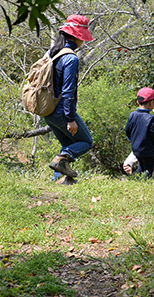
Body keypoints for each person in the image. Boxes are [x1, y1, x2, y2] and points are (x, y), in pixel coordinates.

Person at [43, 15, 94, 185]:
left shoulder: (52, 53)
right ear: (76, 36)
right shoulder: (70, 58)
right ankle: (59, 163)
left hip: (48, 111)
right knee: (86, 142)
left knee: (68, 147)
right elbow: (68, 92)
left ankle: (59, 180)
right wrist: (70, 119)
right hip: (61, 112)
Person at [124, 87, 154, 177]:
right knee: (148, 169)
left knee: (141, 165)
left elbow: (127, 129)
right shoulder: (150, 118)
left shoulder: (132, 115)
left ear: (138, 102)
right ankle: (144, 183)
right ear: (151, 103)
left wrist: (131, 139)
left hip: (136, 148)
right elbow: (152, 133)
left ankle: (139, 181)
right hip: (147, 150)